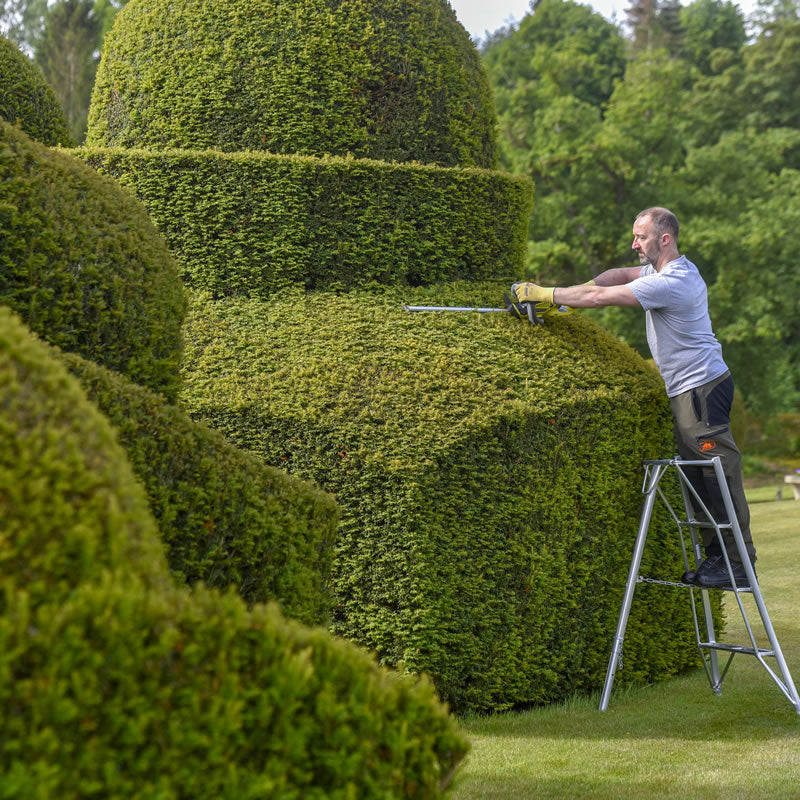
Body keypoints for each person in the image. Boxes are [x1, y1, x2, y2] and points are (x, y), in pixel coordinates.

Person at [512, 206, 756, 588]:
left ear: (665, 238)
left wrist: (549, 294)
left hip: (701, 389)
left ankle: (739, 565)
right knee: (699, 475)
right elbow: (612, 279)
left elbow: (602, 298)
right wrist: (567, 299)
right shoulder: (656, 272)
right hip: (689, 389)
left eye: (641, 237)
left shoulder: (672, 281)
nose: (633, 244)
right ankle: (719, 559)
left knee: (717, 473)